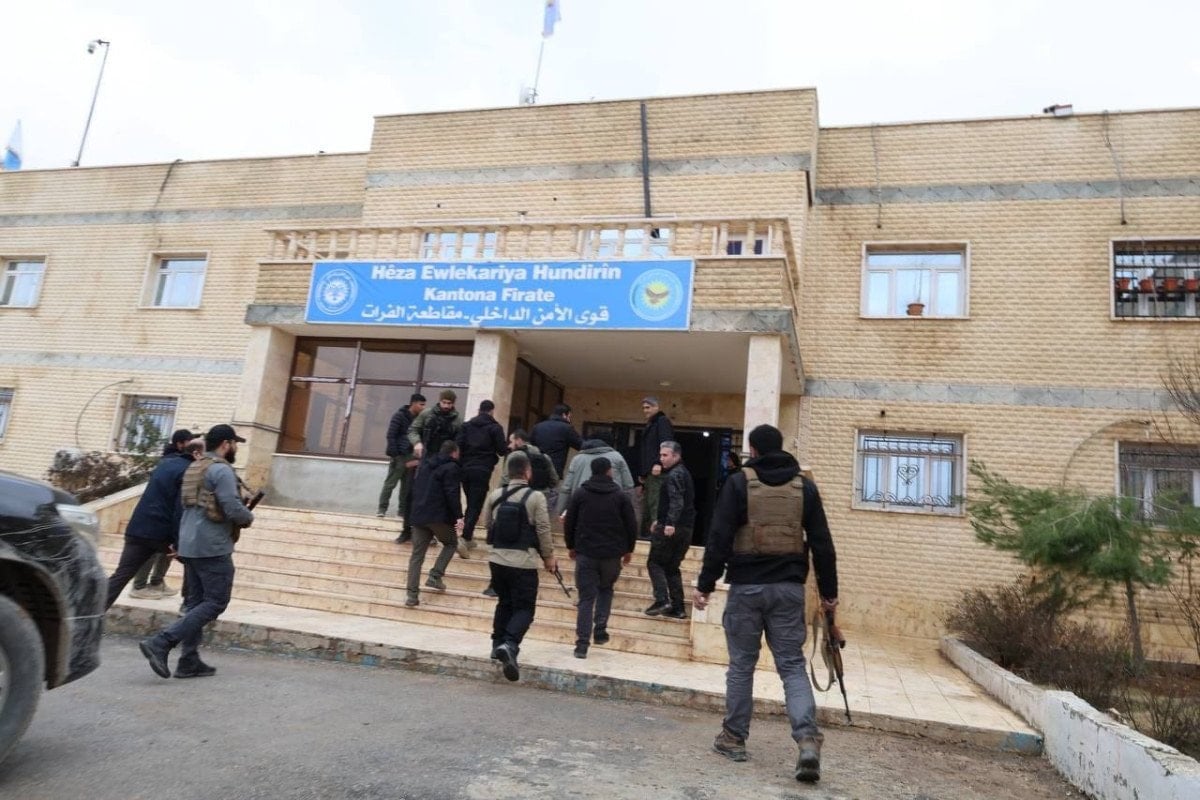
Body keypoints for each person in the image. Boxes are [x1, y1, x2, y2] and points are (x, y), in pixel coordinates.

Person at [692, 424, 839, 784]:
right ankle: (807, 739)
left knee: (742, 666)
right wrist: (829, 593)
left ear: (753, 450)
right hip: (788, 589)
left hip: (746, 588)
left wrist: (706, 584)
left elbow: (719, 536)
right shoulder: (804, 487)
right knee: (792, 665)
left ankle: (733, 738)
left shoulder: (738, 483)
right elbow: (822, 543)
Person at [139, 424, 254, 679]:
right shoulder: (221, 470)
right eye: (234, 443)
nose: (235, 448)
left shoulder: (195, 466)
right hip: (212, 546)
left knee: (195, 604)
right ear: (225, 444)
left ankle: (188, 661)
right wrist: (248, 516)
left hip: (190, 543)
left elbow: (184, 507)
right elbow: (231, 507)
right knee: (215, 602)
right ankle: (161, 642)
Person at [481, 451, 556, 682]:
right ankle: (510, 644)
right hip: (523, 562)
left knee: (504, 602)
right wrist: (549, 557)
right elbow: (543, 529)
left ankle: (496, 644)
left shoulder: (495, 495)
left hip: (497, 560)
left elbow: (487, 524)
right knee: (524, 608)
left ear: (508, 472)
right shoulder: (536, 497)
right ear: (527, 472)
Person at [106, 430, 199, 607]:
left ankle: (88, 614)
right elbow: (180, 509)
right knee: (193, 563)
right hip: (160, 532)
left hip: (138, 528)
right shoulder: (189, 471)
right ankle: (188, 610)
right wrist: (178, 543)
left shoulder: (165, 463)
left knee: (121, 575)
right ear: (197, 454)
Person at [563, 457, 637, 659]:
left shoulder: (580, 494)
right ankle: (601, 627)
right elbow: (631, 524)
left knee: (586, 598)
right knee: (606, 589)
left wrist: (570, 545)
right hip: (612, 555)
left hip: (586, 553)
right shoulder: (620, 496)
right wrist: (629, 549)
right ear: (608, 471)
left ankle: (582, 645)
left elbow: (570, 522)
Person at [404, 440, 465, 606]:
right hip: (438, 516)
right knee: (451, 543)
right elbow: (452, 493)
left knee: (417, 556)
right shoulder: (452, 468)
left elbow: (413, 489)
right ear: (454, 453)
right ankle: (435, 576)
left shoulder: (425, 465)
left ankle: (411, 595)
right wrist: (459, 516)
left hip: (418, 516)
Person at [645, 440, 694, 619]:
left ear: (676, 456)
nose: (661, 459)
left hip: (673, 528)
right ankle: (678, 607)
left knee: (654, 562)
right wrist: (660, 520)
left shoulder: (675, 474)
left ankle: (662, 600)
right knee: (671, 567)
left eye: (665, 455)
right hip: (685, 528)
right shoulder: (683, 473)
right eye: (660, 455)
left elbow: (676, 500)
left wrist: (669, 523)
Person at [455, 399, 507, 551]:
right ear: (491, 411)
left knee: (471, 503)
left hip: (465, 469)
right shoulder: (495, 428)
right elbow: (502, 450)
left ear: (479, 410)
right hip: (482, 470)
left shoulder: (466, 426)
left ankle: (468, 536)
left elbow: (458, 446)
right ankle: (465, 537)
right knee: (475, 505)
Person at [377, 393, 426, 544]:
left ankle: (402, 511)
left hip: (411, 457)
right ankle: (382, 509)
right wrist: (395, 454)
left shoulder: (419, 420)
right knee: (390, 483)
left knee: (406, 487)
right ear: (413, 403)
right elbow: (391, 435)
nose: (423, 407)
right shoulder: (399, 416)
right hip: (399, 456)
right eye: (421, 404)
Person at [554, 434, 635, 516]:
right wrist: (627, 511)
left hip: (582, 506)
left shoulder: (577, 459)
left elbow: (567, 488)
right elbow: (628, 486)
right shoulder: (617, 457)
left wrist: (561, 511)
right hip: (612, 506)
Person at [529, 403, 582, 510]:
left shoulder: (538, 427)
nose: (569, 420)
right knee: (548, 508)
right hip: (553, 474)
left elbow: (530, 446)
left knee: (531, 505)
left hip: (534, 472)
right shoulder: (566, 428)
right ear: (564, 415)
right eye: (569, 417)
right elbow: (581, 445)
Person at [637, 396, 674, 538]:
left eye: (648, 407)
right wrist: (644, 473)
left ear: (656, 407)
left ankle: (655, 534)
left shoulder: (661, 421)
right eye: (643, 408)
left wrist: (659, 462)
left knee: (655, 504)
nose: (645, 410)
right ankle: (648, 534)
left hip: (657, 471)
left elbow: (666, 443)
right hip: (650, 472)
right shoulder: (652, 423)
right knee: (648, 505)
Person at [408, 389, 462, 462]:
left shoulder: (457, 419)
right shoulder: (427, 414)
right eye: (444, 402)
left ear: (453, 403)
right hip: (426, 454)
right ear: (440, 401)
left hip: (446, 457)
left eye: (449, 403)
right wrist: (417, 443)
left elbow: (459, 439)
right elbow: (413, 430)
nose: (446, 406)